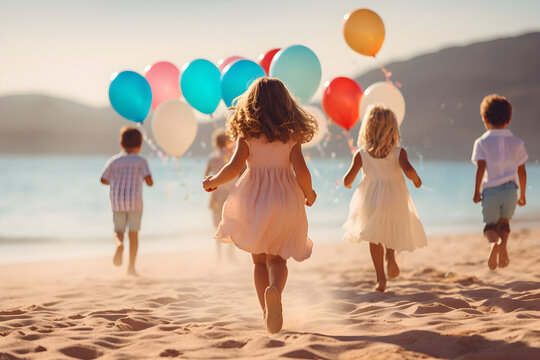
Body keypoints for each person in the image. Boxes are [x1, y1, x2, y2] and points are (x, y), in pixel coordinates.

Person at [202, 77, 317, 333]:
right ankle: (275, 290)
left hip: (254, 200)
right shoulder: (291, 136)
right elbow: (302, 171)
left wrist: (213, 181)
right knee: (278, 260)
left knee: (258, 262)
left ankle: (267, 312)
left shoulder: (247, 136)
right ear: (286, 105)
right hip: (285, 199)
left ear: (251, 105)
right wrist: (309, 194)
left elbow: (232, 169)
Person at [342, 105, 426, 292]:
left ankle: (381, 279)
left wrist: (347, 184)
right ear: (393, 129)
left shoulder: (361, 154)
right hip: (395, 199)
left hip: (371, 200)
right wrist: (417, 181)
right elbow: (410, 171)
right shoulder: (399, 153)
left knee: (374, 237)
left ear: (367, 128)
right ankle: (391, 255)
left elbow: (347, 179)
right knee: (391, 227)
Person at [472, 94, 527, 270]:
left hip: (491, 192)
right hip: (510, 190)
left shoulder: (481, 142)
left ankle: (494, 245)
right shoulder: (517, 143)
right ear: (509, 119)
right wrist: (522, 194)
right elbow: (522, 171)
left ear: (485, 118)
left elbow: (481, 168)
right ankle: (503, 245)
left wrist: (476, 191)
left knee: (490, 227)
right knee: (505, 224)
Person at [100, 126, 153, 276]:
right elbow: (149, 181)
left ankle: (119, 244)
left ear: (121, 143)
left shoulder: (114, 160)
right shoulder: (141, 161)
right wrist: (146, 181)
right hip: (135, 203)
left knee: (118, 231)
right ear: (140, 144)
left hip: (117, 203)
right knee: (134, 235)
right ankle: (131, 268)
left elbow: (103, 179)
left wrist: (116, 182)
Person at [204, 129, 237, 260]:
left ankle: (219, 255)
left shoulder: (212, 157)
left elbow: (205, 176)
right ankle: (230, 251)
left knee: (217, 225)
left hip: (216, 195)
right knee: (233, 223)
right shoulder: (232, 156)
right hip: (231, 194)